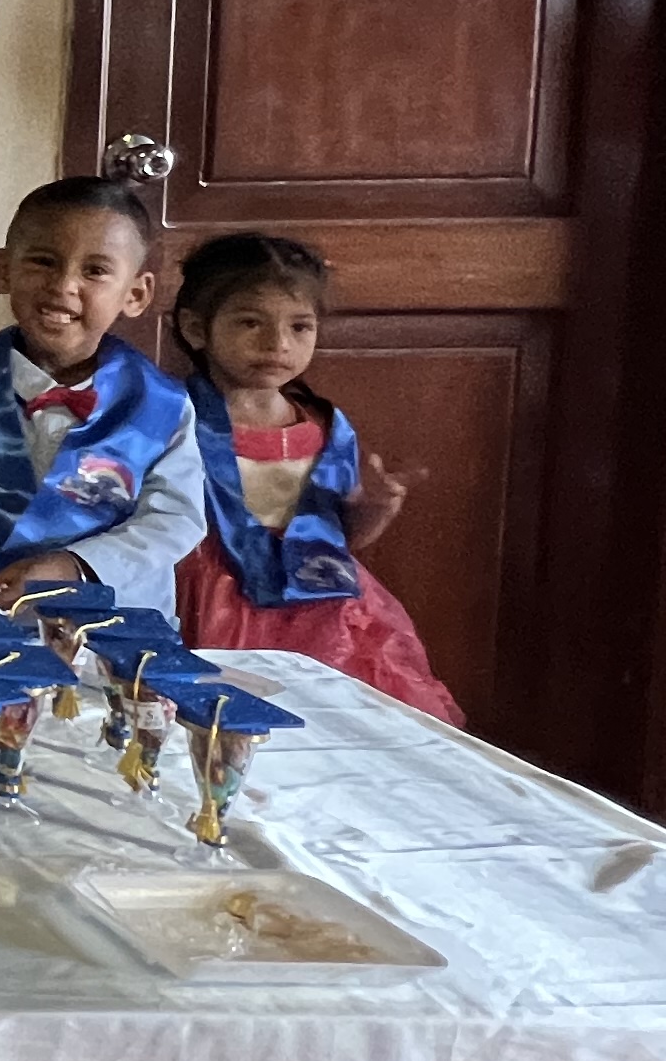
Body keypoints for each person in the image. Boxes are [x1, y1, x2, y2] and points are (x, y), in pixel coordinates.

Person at [164, 232, 464, 725]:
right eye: (250, 322)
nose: (277, 344)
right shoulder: (170, 415)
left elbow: (343, 539)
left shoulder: (326, 427)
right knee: (217, 724)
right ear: (196, 328)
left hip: (323, 611)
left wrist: (374, 509)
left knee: (334, 722)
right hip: (207, 600)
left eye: (300, 326)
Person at [0, 176, 205, 627]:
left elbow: (174, 518)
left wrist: (74, 565)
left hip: (112, 625)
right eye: (43, 261)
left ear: (135, 294)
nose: (63, 285)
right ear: (2, 270)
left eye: (95, 271)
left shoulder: (161, 405)